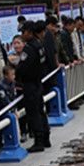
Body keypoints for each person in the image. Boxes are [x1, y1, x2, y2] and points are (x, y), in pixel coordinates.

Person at [17, 21, 50, 152]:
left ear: (30, 32)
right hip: (38, 82)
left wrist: (17, 78)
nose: (22, 35)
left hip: (30, 84)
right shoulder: (39, 45)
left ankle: (39, 141)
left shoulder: (29, 48)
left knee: (33, 112)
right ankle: (46, 137)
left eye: (23, 32)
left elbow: (21, 68)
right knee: (40, 110)